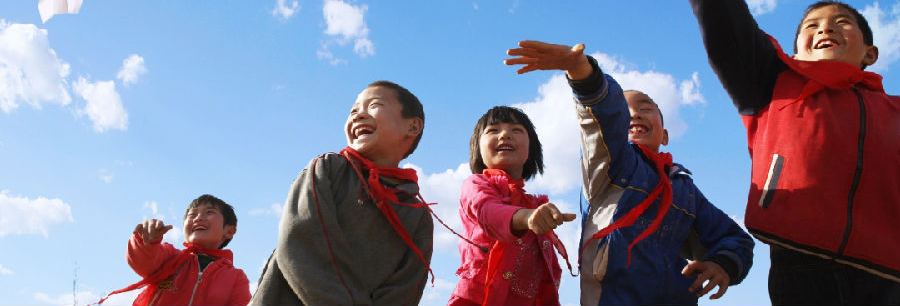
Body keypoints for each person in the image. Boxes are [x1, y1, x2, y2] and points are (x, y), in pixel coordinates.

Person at [646, 0, 900, 304]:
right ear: (796, 51)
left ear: (870, 54)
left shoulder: (894, 109)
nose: (825, 29)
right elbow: (727, 24)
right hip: (800, 261)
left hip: (888, 271)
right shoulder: (771, 82)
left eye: (842, 23)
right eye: (812, 25)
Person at [505, 41, 754, 305]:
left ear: (665, 135)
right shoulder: (610, 163)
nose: (634, 114)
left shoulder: (685, 189)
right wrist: (582, 72)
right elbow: (604, 119)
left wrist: (723, 264)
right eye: (626, 111)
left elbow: (734, 238)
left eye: (645, 108)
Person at [251, 80, 433, 306]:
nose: (358, 115)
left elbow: (406, 289)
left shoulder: (417, 215)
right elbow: (301, 240)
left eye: (374, 105)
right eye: (353, 111)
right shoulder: (328, 169)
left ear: (413, 126)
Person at [448, 105, 576, 306]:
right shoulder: (475, 185)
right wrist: (527, 217)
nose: (505, 135)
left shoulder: (535, 205)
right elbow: (488, 212)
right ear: (478, 149)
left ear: (531, 148)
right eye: (493, 130)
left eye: (516, 130)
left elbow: (547, 277)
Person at [99, 194, 251, 306]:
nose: (198, 218)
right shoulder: (171, 256)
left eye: (209, 212)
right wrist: (146, 240)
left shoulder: (236, 277)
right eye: (192, 214)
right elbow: (142, 260)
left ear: (229, 231)